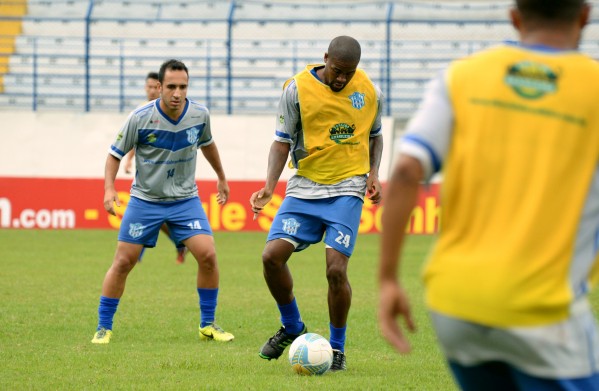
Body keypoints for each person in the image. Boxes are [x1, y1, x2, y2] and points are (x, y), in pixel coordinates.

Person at [378, 1, 599, 389]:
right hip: (542, 311)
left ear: (514, 17)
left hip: (456, 304)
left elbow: (405, 170)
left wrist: (388, 280)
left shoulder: (462, 77)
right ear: (584, 16)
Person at [250, 35, 384, 372]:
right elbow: (281, 143)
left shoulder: (368, 90)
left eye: (348, 74)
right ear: (325, 59)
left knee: (336, 270)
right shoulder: (296, 90)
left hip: (347, 188)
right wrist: (269, 187)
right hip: (304, 187)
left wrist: (374, 174)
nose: (342, 79)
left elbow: (375, 134)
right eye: (337, 71)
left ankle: (336, 349)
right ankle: (293, 326)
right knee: (271, 257)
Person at [92, 59, 234, 344]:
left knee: (207, 254)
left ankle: (208, 324)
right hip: (146, 200)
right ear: (159, 87)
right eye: (171, 86)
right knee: (123, 262)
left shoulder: (199, 115)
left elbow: (208, 144)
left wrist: (221, 177)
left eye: (183, 86)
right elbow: (114, 154)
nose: (177, 93)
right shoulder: (140, 117)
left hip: (185, 200)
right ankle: (103, 327)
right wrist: (109, 189)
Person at [124, 71, 188, 265]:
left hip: (166, 176)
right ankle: (178, 243)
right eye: (149, 87)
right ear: (145, 88)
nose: (152, 91)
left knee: (153, 218)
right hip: (146, 176)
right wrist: (128, 160)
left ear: (160, 87)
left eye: (155, 87)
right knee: (154, 219)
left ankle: (142, 254)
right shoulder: (141, 112)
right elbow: (138, 141)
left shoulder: (168, 111)